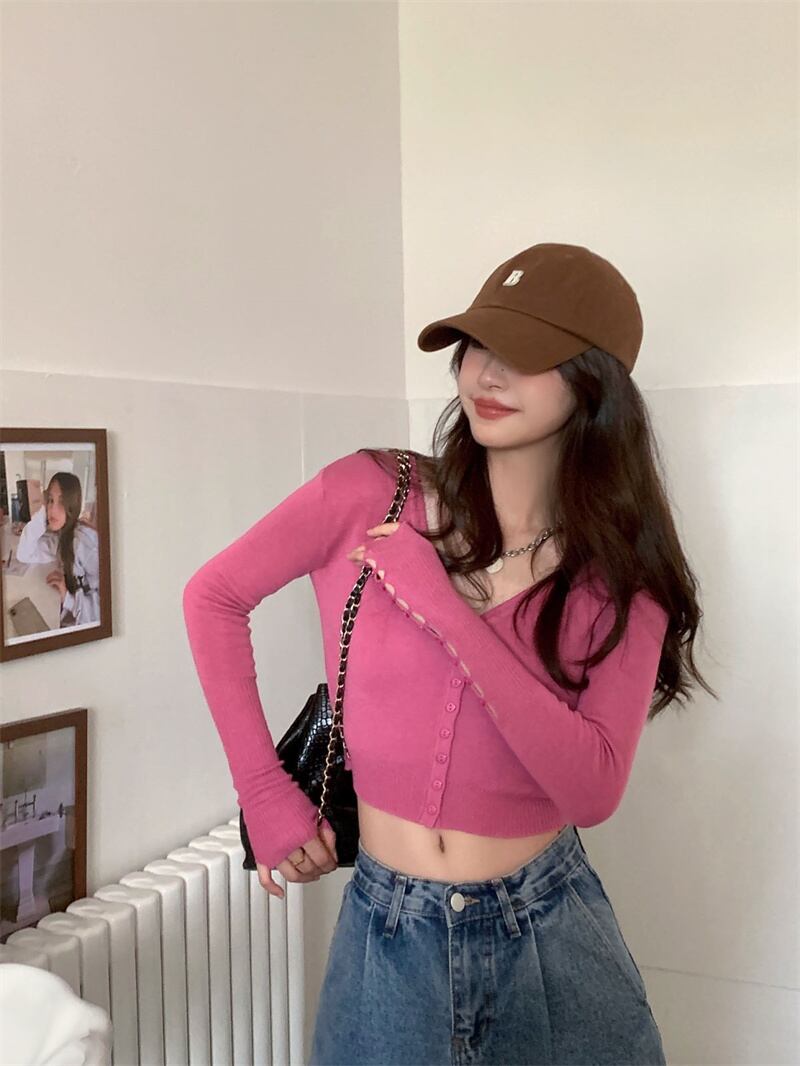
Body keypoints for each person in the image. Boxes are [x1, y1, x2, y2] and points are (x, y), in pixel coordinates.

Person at [182, 243, 714, 1065]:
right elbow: (213, 597)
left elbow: (593, 789)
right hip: (387, 934)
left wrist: (446, 611)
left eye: (527, 353)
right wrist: (263, 792)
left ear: (595, 385)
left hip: (549, 934)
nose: (487, 374)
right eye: (477, 346)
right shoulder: (370, 493)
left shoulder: (621, 573)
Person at [15, 472, 100, 628]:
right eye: (50, 500)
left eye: (61, 502)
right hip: (67, 617)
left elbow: (104, 609)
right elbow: (24, 554)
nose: (52, 509)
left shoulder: (85, 543)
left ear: (72, 505)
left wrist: (68, 598)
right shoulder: (61, 537)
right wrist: (42, 512)